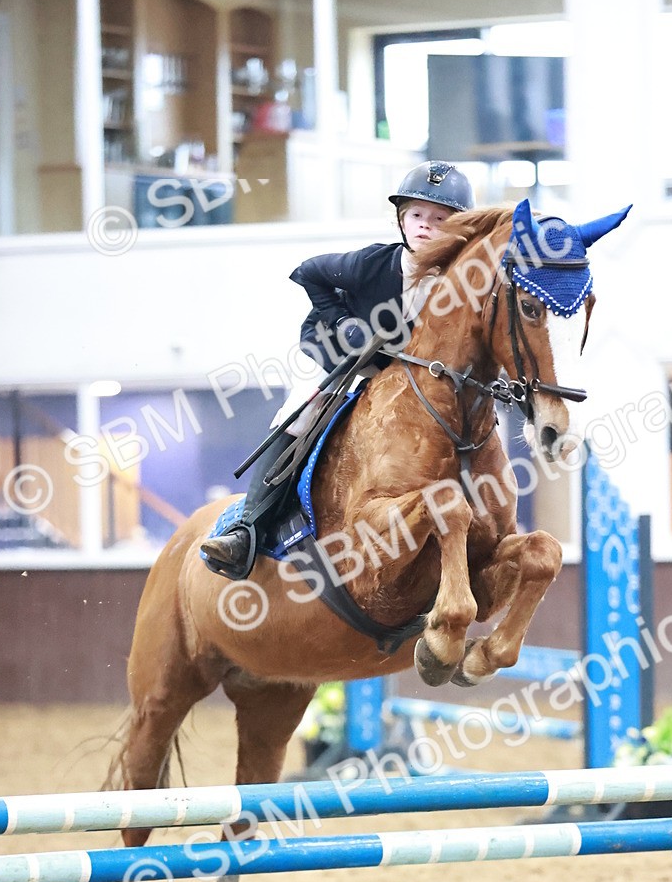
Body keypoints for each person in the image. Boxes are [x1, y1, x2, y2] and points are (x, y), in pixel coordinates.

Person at [201, 161, 475, 579]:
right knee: (303, 413)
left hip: (400, 371)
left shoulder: (459, 280)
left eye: (439, 219)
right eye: (416, 215)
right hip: (336, 351)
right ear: (401, 220)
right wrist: (342, 321)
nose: (424, 226)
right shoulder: (369, 264)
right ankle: (246, 529)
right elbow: (306, 272)